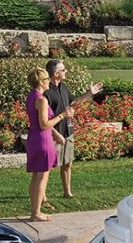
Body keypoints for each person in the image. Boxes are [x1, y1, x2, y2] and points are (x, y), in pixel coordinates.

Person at [44, 59, 103, 200]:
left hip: (67, 131)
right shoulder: (46, 92)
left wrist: (89, 93)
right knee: (47, 168)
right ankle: (42, 196)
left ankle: (67, 193)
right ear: (56, 73)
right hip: (53, 134)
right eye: (63, 70)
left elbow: (73, 103)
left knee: (67, 163)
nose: (66, 72)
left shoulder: (63, 87)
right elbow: (43, 119)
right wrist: (55, 133)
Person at [26, 68, 72, 222]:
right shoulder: (42, 100)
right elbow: (44, 124)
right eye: (46, 79)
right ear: (41, 82)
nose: (48, 81)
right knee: (42, 178)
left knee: (36, 177)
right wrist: (62, 116)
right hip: (43, 139)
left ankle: (34, 210)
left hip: (34, 138)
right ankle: (36, 213)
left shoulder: (31, 96)